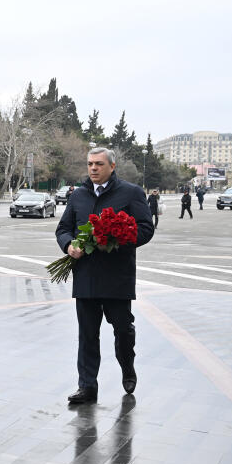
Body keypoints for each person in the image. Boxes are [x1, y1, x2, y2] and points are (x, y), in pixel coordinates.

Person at [55, 147, 154, 404]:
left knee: (122, 329)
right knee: (87, 334)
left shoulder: (131, 193)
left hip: (117, 277)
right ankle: (87, 387)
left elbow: (145, 229)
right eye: (90, 164)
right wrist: (68, 245)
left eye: (99, 164)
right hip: (85, 276)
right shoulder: (78, 195)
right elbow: (63, 228)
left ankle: (127, 366)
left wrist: (116, 239)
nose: (93, 168)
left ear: (112, 166)